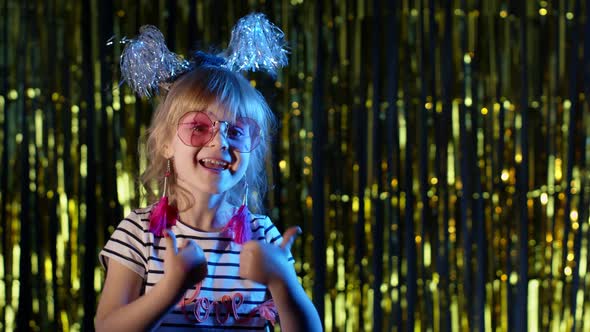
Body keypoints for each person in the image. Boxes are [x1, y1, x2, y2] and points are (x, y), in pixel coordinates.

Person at [95, 13, 322, 331]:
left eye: (237, 131)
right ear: (165, 144)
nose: (220, 143)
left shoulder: (262, 235)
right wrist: (171, 288)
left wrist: (283, 281)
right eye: (199, 127)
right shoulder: (139, 233)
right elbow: (106, 327)